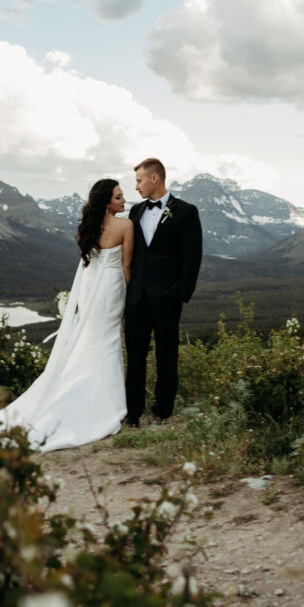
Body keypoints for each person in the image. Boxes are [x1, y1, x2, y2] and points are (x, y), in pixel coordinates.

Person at [0, 179, 133, 451]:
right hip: (113, 288)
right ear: (106, 201)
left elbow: (88, 265)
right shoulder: (125, 226)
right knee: (108, 340)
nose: (123, 201)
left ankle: (79, 394)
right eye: (118, 197)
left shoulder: (87, 231)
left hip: (92, 290)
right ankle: (103, 404)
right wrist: (133, 300)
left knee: (94, 338)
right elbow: (127, 267)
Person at [124, 158, 202, 426]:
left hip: (167, 298)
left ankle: (162, 411)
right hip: (136, 297)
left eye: (139, 180)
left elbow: (192, 257)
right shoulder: (135, 212)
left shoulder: (186, 211)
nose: (136, 187)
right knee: (134, 356)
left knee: (167, 356)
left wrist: (179, 293)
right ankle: (132, 413)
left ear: (154, 179)